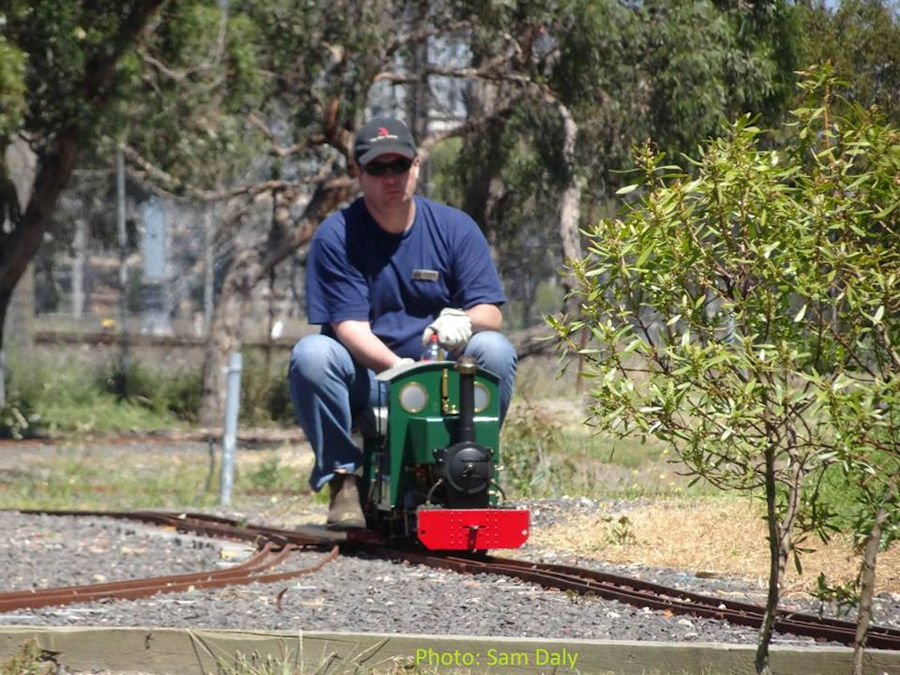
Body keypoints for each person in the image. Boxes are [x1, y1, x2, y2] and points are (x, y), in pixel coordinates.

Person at [287, 116, 517, 530]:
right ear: (358, 174)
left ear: (416, 165)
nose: (390, 177)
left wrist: (462, 320)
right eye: (377, 168)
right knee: (312, 355)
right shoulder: (337, 236)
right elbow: (349, 328)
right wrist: (404, 373)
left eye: (400, 165)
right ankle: (344, 480)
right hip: (372, 376)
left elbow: (491, 312)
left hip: (441, 377)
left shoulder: (455, 228)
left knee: (495, 350)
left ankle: (469, 469)